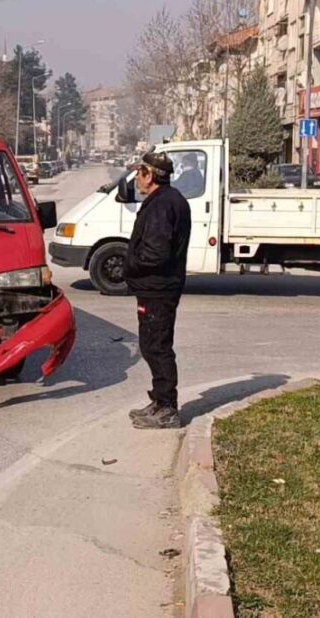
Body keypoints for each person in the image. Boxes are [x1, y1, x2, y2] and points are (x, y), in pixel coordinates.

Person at [123, 152, 191, 430]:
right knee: (152, 345)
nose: (136, 179)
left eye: (139, 173)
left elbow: (156, 253)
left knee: (157, 346)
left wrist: (130, 266)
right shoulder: (165, 201)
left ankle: (167, 409)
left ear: (149, 175)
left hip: (158, 288)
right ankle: (160, 400)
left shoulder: (163, 205)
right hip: (156, 286)